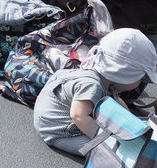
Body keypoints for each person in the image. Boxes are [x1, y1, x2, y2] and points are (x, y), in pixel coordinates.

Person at [33, 28, 157, 156]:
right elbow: (78, 116)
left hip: (65, 116)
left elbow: (117, 101)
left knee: (124, 144)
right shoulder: (92, 85)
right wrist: (106, 140)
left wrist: (134, 123)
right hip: (58, 130)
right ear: (124, 73)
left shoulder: (105, 79)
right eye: (141, 78)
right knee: (110, 153)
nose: (142, 83)